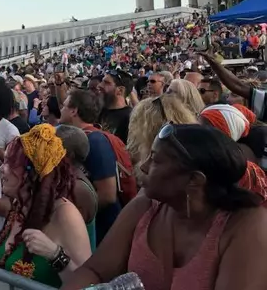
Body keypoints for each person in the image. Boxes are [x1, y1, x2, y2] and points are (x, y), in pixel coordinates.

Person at [62, 124, 267, 290]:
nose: (144, 166)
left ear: (194, 179)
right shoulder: (145, 207)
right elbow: (95, 271)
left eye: (156, 160)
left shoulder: (247, 225)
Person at [0, 125, 91, 287]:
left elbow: (87, 284)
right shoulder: (20, 204)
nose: (2, 168)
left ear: (31, 172)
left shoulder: (65, 214)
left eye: (9, 162)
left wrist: (54, 254)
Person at [58, 89, 123, 245]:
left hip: (101, 232)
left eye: (65, 106)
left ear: (74, 111)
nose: (61, 109)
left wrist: (74, 218)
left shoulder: (96, 141)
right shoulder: (79, 137)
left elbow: (108, 195)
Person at [56, 124, 98, 251]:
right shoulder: (65, 179)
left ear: (69, 155)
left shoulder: (78, 189)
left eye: (54, 147)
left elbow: (64, 232)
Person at [98, 70, 133, 144]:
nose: (100, 85)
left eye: (106, 83)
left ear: (120, 90)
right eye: (102, 81)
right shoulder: (98, 111)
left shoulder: (131, 117)